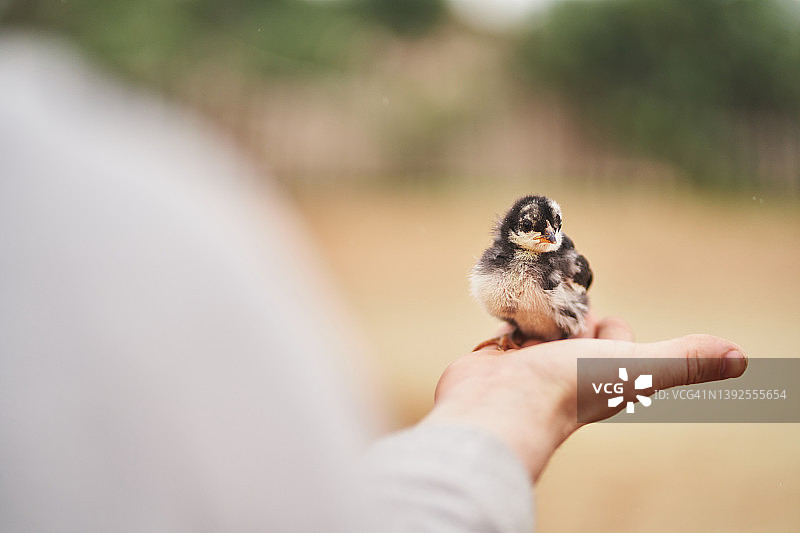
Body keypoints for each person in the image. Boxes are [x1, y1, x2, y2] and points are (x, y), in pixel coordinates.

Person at [0, 35, 746, 532]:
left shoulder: (66, 205)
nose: (552, 245)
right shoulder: (81, 210)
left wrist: (504, 409)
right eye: (538, 231)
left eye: (553, 235)